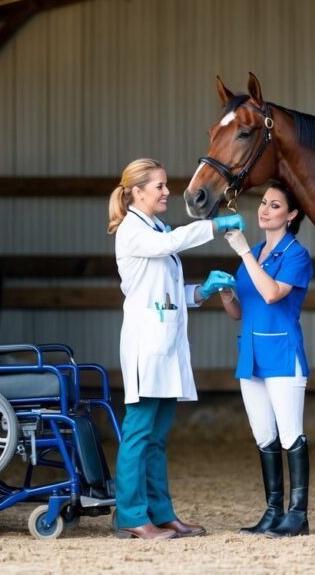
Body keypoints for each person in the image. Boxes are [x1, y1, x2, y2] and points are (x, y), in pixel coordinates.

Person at [107, 158, 242, 540]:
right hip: (146, 347)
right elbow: (170, 243)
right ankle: (132, 516)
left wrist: (201, 291)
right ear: (138, 192)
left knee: (157, 437)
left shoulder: (154, 228)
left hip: (165, 347)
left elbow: (165, 296)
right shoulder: (133, 231)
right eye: (161, 186)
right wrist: (214, 225)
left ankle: (161, 513)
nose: (167, 192)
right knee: (138, 433)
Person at [219, 181, 314, 538]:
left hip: (282, 353)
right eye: (262, 203)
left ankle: (298, 514)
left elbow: (273, 294)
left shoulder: (295, 254)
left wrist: (243, 254)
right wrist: (227, 294)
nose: (263, 209)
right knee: (264, 436)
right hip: (252, 355)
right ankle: (273, 510)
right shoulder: (255, 252)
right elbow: (241, 311)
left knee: (291, 434)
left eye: (274, 205)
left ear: (291, 215)